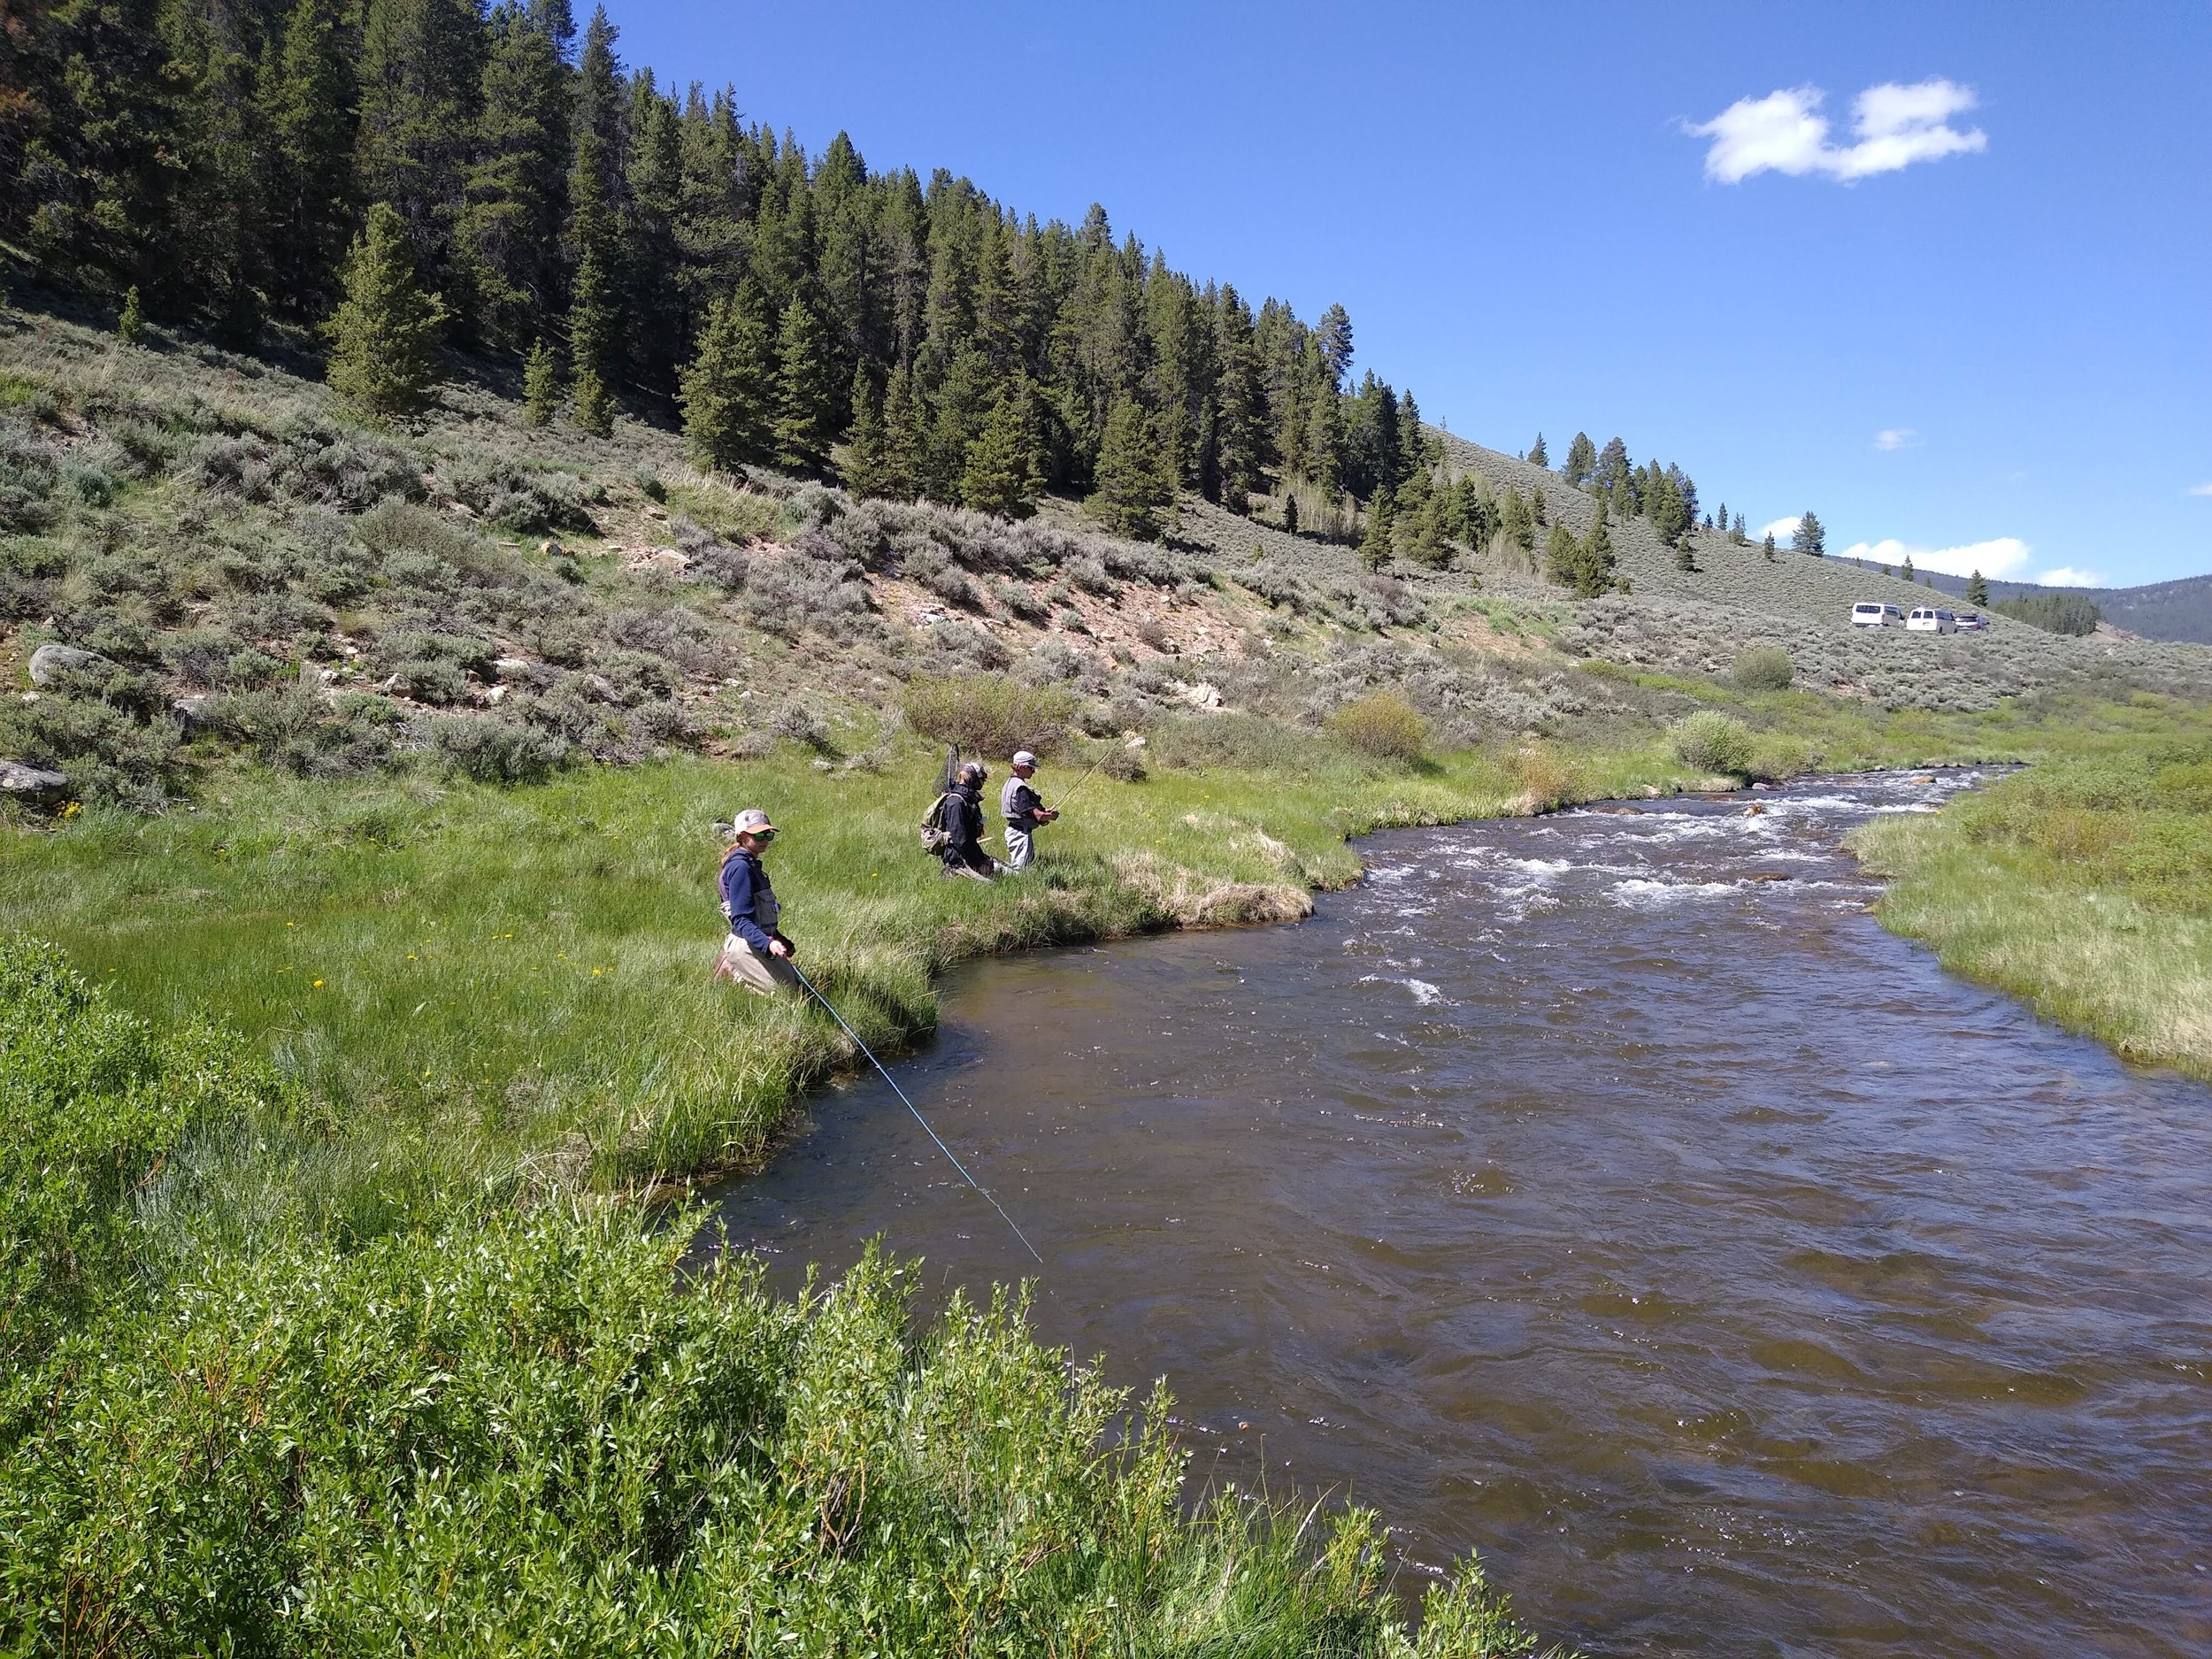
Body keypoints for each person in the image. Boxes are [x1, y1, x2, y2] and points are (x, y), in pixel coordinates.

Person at [713, 807, 798, 995]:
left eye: (768, 834)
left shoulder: (752, 865)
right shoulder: (741, 868)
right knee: (785, 997)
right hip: (745, 944)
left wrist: (778, 938)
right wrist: (768, 944)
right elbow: (741, 920)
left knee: (796, 988)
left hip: (757, 940)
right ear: (742, 836)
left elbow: (759, 915)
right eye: (759, 835)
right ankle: (733, 970)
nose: (765, 840)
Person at [939, 761, 1001, 881]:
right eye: (982, 779)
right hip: (958, 861)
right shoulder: (956, 803)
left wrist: (982, 859)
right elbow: (960, 840)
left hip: (971, 854)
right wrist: (979, 864)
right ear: (973, 779)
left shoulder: (968, 800)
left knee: (1001, 871)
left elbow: (969, 840)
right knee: (992, 885)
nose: (983, 782)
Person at [999, 749, 1058, 871]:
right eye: (1030, 768)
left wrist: (1043, 810)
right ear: (1020, 767)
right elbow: (1038, 816)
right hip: (1020, 834)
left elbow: (1025, 809)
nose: (1034, 771)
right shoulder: (1021, 788)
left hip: (1015, 830)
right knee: (1021, 871)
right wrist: (1051, 816)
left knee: (1022, 868)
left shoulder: (1010, 783)